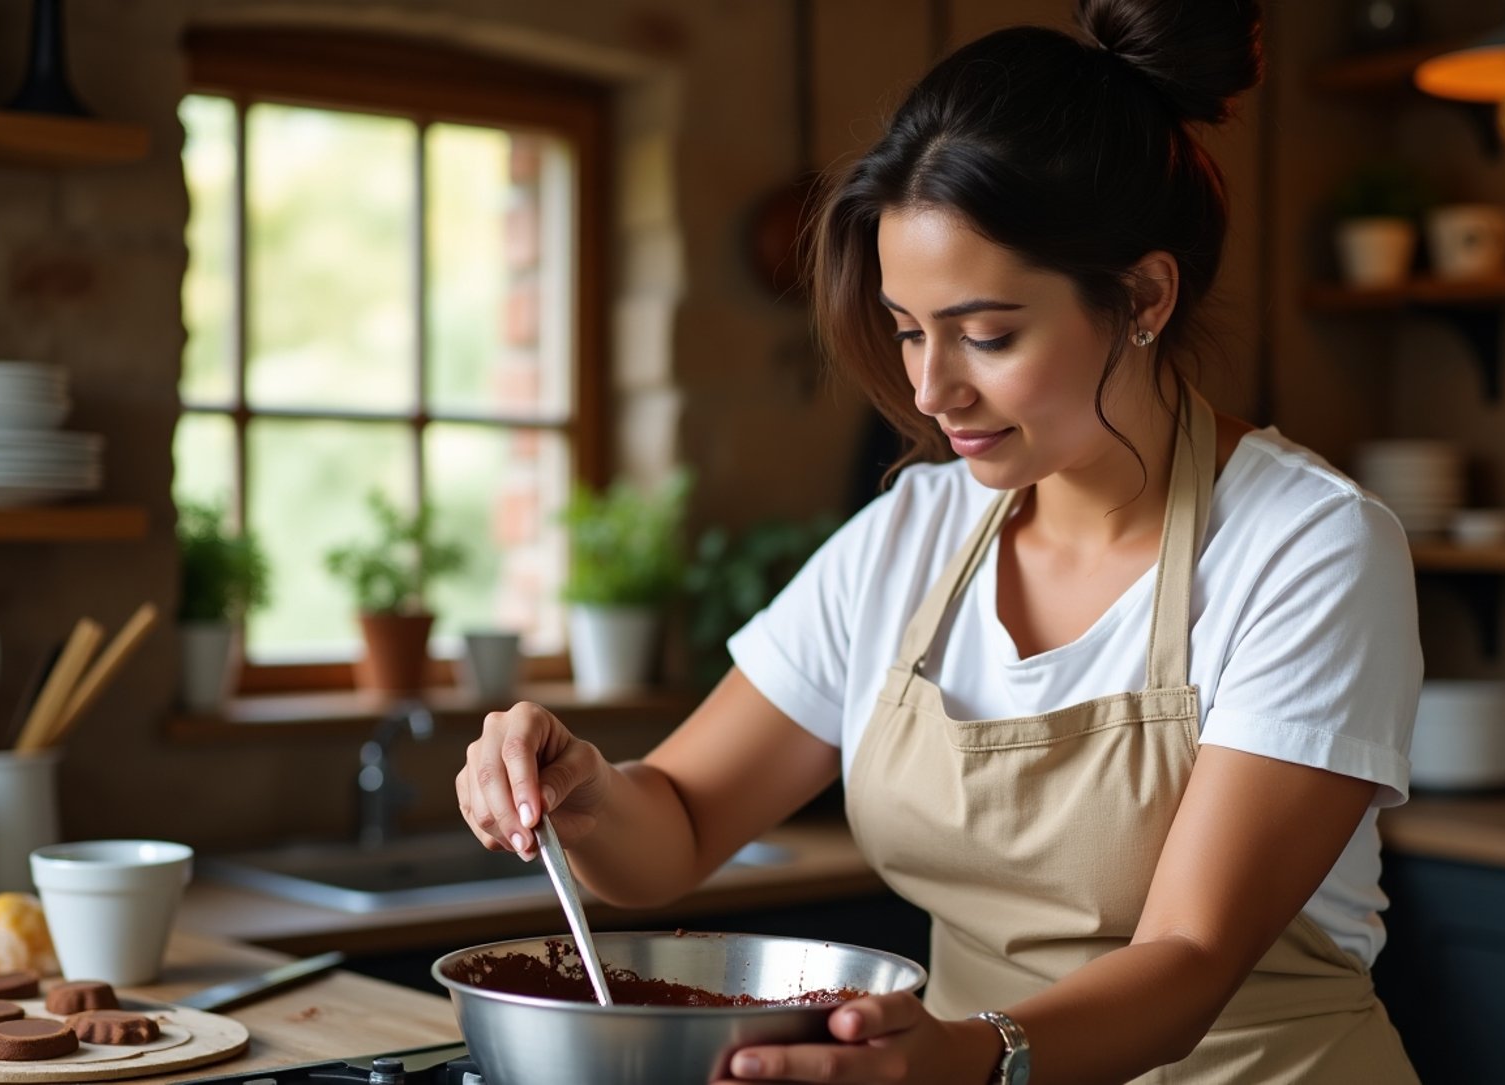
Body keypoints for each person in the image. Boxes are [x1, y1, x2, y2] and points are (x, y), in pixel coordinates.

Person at [456, 0, 1424, 1081]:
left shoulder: (1310, 547)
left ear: (1145, 296)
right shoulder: (914, 532)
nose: (929, 387)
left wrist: (970, 1057)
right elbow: (677, 823)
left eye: (988, 333)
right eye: (910, 329)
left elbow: (1188, 957)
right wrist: (585, 790)